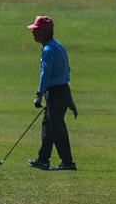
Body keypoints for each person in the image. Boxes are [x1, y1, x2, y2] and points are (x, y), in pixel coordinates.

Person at [26, 14, 78, 171]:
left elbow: (45, 75)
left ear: (46, 32)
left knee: (56, 128)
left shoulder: (49, 49)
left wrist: (39, 94)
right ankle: (43, 160)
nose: (33, 33)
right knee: (48, 126)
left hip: (55, 92)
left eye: (37, 30)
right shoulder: (57, 45)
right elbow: (67, 70)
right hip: (62, 91)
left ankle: (67, 162)